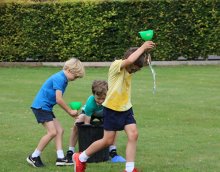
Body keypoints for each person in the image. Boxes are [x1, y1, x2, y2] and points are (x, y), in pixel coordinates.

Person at [73, 41, 155, 172]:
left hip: (126, 108)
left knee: (133, 134)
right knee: (107, 141)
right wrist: (142, 47)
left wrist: (146, 53)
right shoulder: (116, 65)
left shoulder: (131, 65)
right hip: (111, 109)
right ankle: (81, 157)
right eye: (134, 68)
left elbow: (142, 61)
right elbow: (130, 61)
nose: (134, 71)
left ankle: (129, 169)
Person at [26, 58, 85, 167]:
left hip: (46, 107)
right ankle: (33, 156)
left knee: (59, 130)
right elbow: (59, 99)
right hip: (41, 107)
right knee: (52, 132)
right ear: (68, 70)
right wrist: (69, 111)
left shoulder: (63, 78)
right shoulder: (60, 78)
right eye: (75, 76)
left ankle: (60, 158)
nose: (75, 79)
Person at [65, 80, 126, 165]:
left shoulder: (110, 101)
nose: (101, 101)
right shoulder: (90, 103)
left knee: (113, 124)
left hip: (104, 114)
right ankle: (70, 152)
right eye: (98, 98)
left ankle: (113, 152)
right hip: (89, 114)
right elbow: (87, 123)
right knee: (77, 123)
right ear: (93, 95)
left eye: (103, 98)